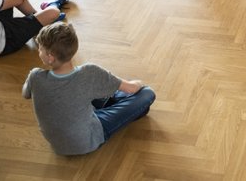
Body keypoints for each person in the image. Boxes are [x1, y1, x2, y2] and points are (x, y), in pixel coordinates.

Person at [22, 22, 156, 156]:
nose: (39, 52)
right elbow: (132, 89)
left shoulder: (35, 76)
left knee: (91, 90)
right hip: (88, 141)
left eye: (40, 49)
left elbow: (25, 94)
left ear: (50, 57)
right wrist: (138, 83)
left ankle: (115, 101)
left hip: (58, 145)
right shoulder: (89, 73)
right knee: (146, 93)